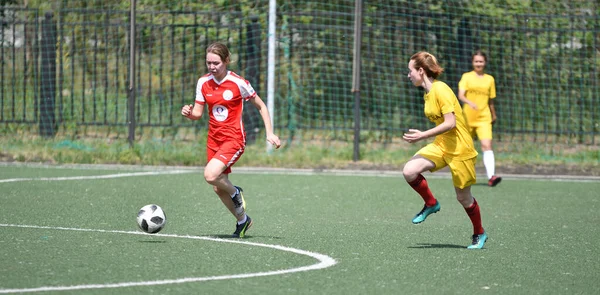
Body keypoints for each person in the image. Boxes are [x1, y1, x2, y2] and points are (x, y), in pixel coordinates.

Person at [181, 42, 281, 238]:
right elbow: (198, 113)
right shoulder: (203, 82)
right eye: (208, 63)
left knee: (210, 175)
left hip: (234, 138)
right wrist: (189, 113)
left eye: (216, 62)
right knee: (218, 187)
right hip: (214, 140)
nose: (212, 67)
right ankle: (243, 221)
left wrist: (269, 133)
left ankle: (236, 192)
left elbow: (261, 106)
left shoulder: (238, 82)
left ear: (226, 60)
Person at [403, 51, 487, 249]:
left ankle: (479, 233)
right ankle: (431, 203)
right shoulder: (428, 92)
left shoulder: (441, 90)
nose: (408, 75)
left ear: (421, 71)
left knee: (463, 198)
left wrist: (422, 135)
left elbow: (450, 123)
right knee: (409, 171)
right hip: (443, 144)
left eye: (410, 71)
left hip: (460, 147)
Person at [458, 50, 502, 187]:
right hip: (467, 117)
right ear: (472, 62)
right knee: (466, 147)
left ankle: (491, 176)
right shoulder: (466, 77)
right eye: (476, 61)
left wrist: (493, 114)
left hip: (484, 117)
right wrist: (469, 102)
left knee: (487, 145)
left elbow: (491, 100)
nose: (478, 63)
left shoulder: (490, 79)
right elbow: (461, 95)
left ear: (485, 63)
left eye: (481, 61)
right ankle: (463, 175)